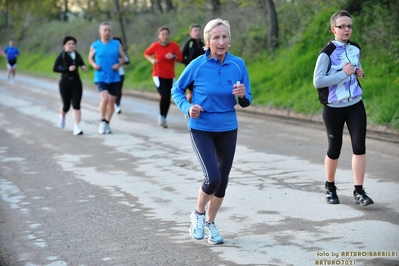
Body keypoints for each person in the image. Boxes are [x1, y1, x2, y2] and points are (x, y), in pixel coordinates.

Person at [171, 18, 252, 244]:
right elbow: (176, 90)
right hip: (201, 128)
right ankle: (197, 214)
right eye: (216, 37)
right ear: (207, 41)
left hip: (228, 128)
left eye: (225, 36)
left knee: (222, 181)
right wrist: (188, 108)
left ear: (230, 40)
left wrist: (243, 94)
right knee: (213, 177)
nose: (221, 41)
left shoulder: (238, 65)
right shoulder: (197, 65)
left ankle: (211, 223)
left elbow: (247, 101)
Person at [313, 10, 374, 206]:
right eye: (342, 26)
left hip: (355, 104)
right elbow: (318, 81)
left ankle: (359, 191)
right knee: (334, 149)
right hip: (333, 108)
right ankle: (330, 186)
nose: (346, 29)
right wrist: (342, 74)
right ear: (333, 29)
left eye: (349, 26)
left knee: (359, 147)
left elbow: (355, 68)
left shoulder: (355, 48)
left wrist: (358, 73)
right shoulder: (326, 53)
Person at [88, 22, 125, 134]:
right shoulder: (95, 45)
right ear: (100, 32)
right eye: (105, 30)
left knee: (111, 102)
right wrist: (94, 65)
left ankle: (107, 123)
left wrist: (118, 65)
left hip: (114, 77)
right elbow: (90, 58)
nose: (107, 32)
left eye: (109, 30)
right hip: (101, 76)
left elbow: (123, 58)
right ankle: (102, 121)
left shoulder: (116, 44)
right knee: (104, 99)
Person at [144, 26, 182, 128]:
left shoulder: (173, 46)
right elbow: (146, 53)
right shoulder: (155, 46)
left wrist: (173, 56)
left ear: (168, 35)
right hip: (158, 75)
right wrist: (152, 60)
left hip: (170, 75)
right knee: (164, 95)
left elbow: (180, 57)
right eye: (162, 34)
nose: (164, 36)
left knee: (168, 97)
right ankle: (161, 117)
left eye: (166, 34)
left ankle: (164, 117)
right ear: (159, 36)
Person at [53, 36, 87, 135]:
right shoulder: (62, 56)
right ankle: (62, 116)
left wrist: (83, 66)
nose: (71, 45)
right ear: (64, 45)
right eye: (69, 44)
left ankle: (77, 127)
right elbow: (55, 68)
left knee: (76, 105)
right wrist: (67, 69)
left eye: (73, 44)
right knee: (66, 106)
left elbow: (81, 62)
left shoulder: (76, 54)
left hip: (76, 82)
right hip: (65, 82)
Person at [181, 24, 205, 103]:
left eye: (199, 30)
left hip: (202, 71)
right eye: (195, 31)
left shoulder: (203, 43)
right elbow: (181, 57)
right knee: (191, 92)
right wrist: (189, 63)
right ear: (190, 33)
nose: (197, 33)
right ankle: (187, 108)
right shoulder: (189, 43)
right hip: (191, 72)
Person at [113, 37, 130, 114]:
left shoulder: (122, 52)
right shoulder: (110, 51)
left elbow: (127, 61)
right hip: (111, 74)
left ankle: (117, 105)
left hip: (120, 73)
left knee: (119, 90)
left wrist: (121, 58)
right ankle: (112, 103)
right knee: (112, 90)